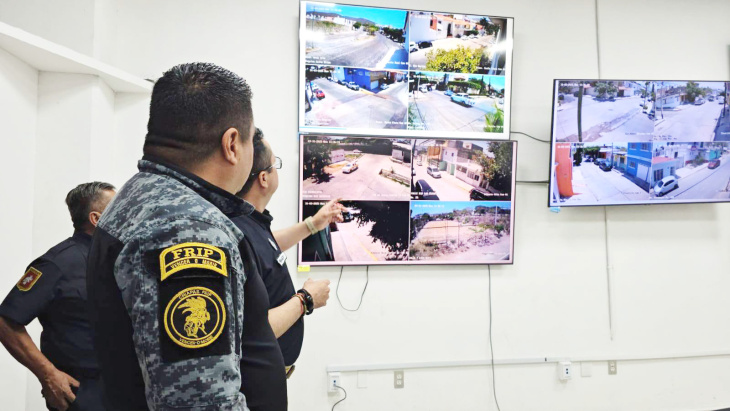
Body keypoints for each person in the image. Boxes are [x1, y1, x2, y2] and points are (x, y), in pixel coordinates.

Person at [86, 63, 286, 411]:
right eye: (250, 139)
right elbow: (201, 400)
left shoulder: (144, 195)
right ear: (232, 144)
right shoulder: (188, 227)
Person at [233, 129, 343, 375]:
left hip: (269, 373)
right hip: (258, 378)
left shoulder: (249, 221)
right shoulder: (239, 229)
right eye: (276, 164)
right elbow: (252, 330)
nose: (277, 170)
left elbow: (265, 248)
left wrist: (313, 224)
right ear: (264, 178)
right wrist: (306, 299)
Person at [0, 182, 116, 411]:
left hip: (126, 392)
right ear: (96, 219)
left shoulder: (119, 260)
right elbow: (6, 321)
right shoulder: (57, 264)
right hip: (85, 394)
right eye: (118, 208)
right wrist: (48, 374)